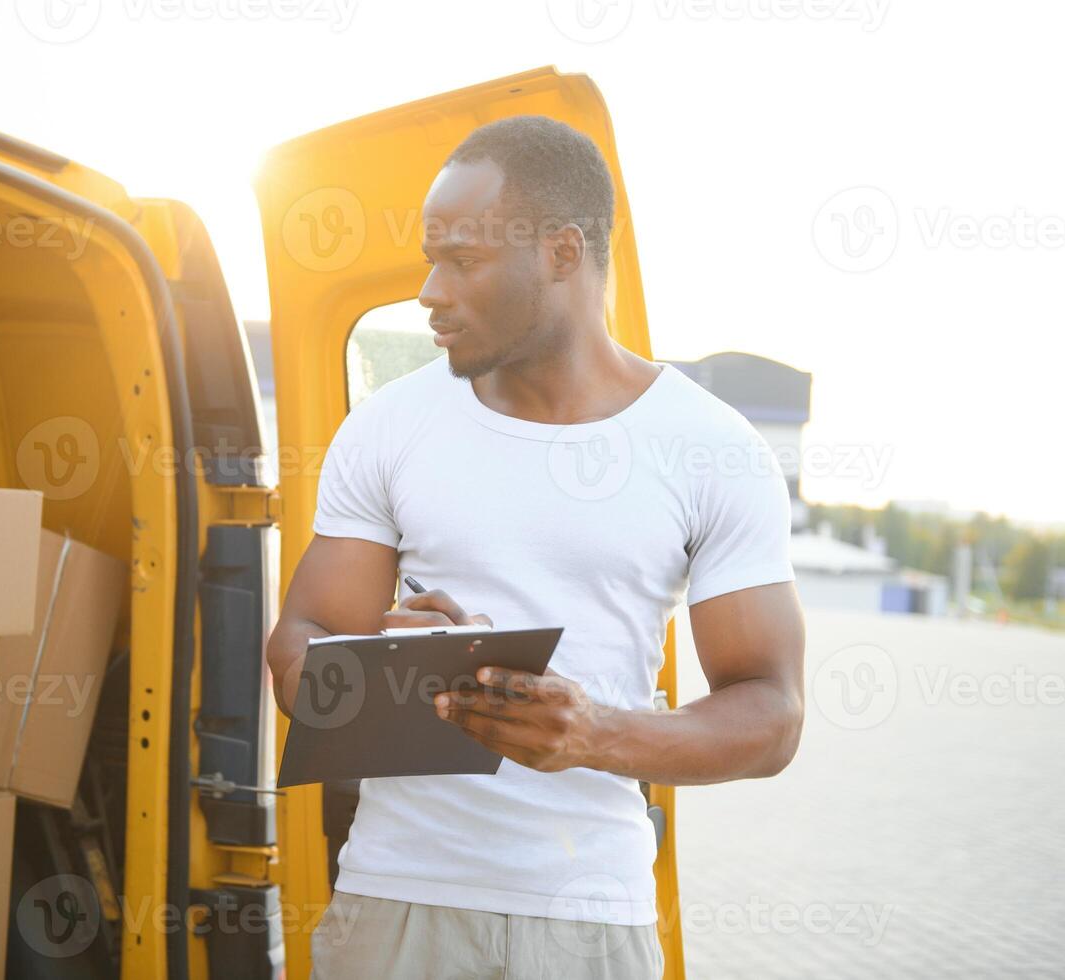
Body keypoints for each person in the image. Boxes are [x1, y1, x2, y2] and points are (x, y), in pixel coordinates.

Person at [266, 115, 807, 979]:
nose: (430, 292)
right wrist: (385, 674)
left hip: (591, 916)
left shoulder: (713, 447)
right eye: (428, 257)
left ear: (561, 253)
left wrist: (593, 733)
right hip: (398, 907)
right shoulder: (388, 427)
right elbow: (297, 647)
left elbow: (771, 716)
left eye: (464, 260)